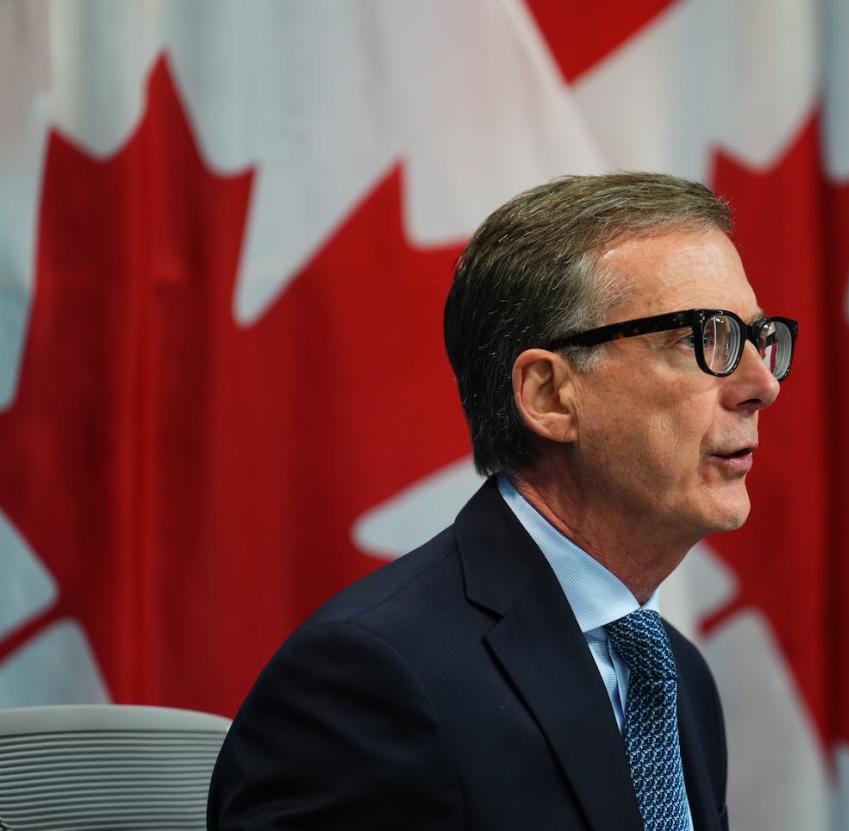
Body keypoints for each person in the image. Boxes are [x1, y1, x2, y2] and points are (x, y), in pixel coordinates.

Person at [207, 172, 797, 830]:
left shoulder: (674, 676)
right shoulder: (370, 679)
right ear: (548, 393)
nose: (758, 385)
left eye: (758, 338)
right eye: (701, 338)